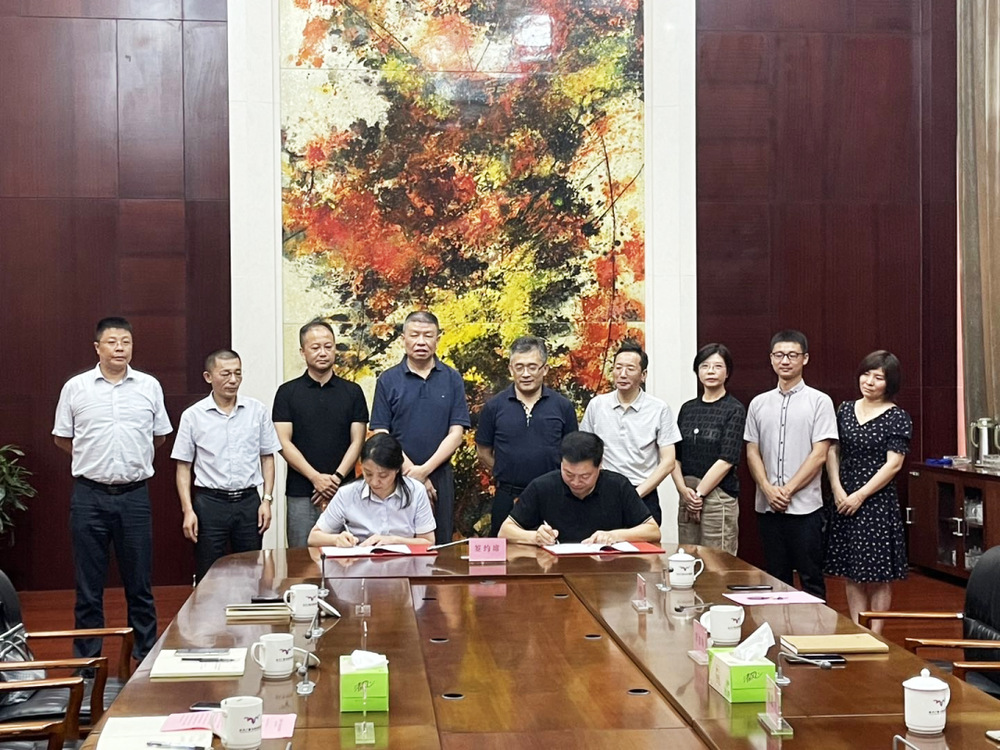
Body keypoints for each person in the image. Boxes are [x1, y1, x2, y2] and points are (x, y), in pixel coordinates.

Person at [52, 317, 172, 662]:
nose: (120, 348)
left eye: (126, 342)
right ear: (97, 348)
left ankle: (145, 656)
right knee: (88, 588)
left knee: (140, 585)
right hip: (89, 497)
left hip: (134, 497)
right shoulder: (76, 387)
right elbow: (62, 438)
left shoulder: (149, 386)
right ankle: (88, 661)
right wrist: (94, 459)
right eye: (112, 342)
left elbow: (159, 436)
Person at [172, 349, 282, 582]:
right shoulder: (193, 415)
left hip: (249, 502)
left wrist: (267, 500)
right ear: (208, 376)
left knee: (252, 571)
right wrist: (188, 510)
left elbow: (267, 457)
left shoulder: (257, 411)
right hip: (210, 504)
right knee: (208, 572)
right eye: (225, 374)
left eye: (238, 373)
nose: (233, 380)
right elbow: (183, 466)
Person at [745, 330, 837, 599]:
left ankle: (817, 627)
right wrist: (767, 488)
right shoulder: (758, 403)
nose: (785, 361)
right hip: (768, 507)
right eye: (779, 355)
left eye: (792, 355)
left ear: (805, 358)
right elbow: (752, 451)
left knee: (811, 578)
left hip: (805, 507)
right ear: (771, 358)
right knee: (775, 578)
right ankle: (777, 626)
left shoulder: (820, 401)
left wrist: (787, 490)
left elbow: (820, 454)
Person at [825, 351, 911, 632]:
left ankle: (877, 634)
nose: (870, 382)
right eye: (866, 374)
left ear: (890, 383)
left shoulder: (897, 416)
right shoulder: (845, 409)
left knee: (878, 574)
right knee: (852, 570)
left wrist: (860, 495)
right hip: (844, 498)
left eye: (879, 377)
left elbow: (893, 464)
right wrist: (837, 489)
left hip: (876, 501)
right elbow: (833, 450)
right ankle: (857, 629)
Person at [370, 311, 471, 544]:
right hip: (396, 475)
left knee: (440, 543)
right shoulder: (388, 380)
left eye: (428, 335)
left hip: (439, 474)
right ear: (403, 338)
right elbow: (381, 433)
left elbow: (456, 433)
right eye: (414, 335)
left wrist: (424, 470)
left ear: (438, 339)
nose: (421, 341)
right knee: (397, 541)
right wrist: (412, 472)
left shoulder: (452, 378)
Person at [272, 319, 368, 547]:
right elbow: (283, 442)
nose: (323, 353)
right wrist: (315, 478)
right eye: (315, 347)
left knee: (348, 554)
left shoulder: (353, 392)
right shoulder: (287, 393)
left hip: (345, 490)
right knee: (301, 556)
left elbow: (358, 441)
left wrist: (335, 480)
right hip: (301, 491)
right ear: (302, 352)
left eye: (328, 346)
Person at [476, 336, 578, 536]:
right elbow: (483, 452)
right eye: (519, 367)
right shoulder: (494, 407)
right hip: (507, 496)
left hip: (552, 496)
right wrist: (506, 472)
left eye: (532, 367)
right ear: (510, 369)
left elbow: (572, 453)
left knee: (553, 549)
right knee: (505, 551)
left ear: (545, 369)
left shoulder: (563, 406)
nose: (525, 374)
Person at [579, 340, 680, 525]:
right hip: (603, 491)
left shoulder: (659, 409)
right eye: (618, 368)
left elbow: (668, 461)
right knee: (600, 542)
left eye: (630, 369)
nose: (623, 374)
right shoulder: (597, 405)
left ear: (643, 375)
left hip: (643, 493)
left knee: (643, 543)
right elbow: (585, 450)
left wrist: (635, 494)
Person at [498, 431, 660, 545]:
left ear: (599, 466)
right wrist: (535, 537)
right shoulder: (543, 486)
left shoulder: (618, 486)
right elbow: (505, 531)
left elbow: (653, 531)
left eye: (585, 476)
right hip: (555, 569)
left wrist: (614, 535)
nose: (575, 482)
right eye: (568, 474)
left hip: (609, 571)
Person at [671, 343, 746, 554]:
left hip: (717, 495)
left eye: (717, 366)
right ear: (697, 371)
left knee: (718, 561)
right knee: (686, 558)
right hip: (687, 494)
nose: (710, 371)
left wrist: (699, 495)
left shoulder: (734, 409)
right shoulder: (687, 409)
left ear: (727, 372)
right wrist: (684, 491)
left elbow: (727, 459)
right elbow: (674, 456)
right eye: (705, 366)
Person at [308, 433, 436, 547]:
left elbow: (428, 542)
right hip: (360, 563)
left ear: (397, 469)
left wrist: (394, 540)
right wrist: (337, 539)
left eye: (383, 475)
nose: (374, 482)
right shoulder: (347, 493)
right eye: (368, 473)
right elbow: (313, 538)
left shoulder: (416, 491)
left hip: (405, 564)